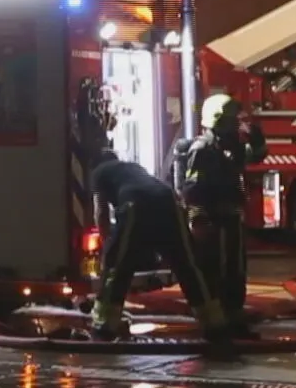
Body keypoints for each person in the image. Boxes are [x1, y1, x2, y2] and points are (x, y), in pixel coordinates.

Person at [89, 147, 233, 353]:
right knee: (188, 265)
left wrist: (108, 246)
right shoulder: (133, 167)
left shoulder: (98, 173)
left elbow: (100, 211)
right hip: (167, 201)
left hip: (134, 204)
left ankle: (103, 328)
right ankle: (215, 326)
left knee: (117, 268)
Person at [180, 93, 267, 335]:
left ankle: (234, 315)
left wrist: (257, 138)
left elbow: (256, 155)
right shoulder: (204, 148)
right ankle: (218, 322)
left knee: (235, 269)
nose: (235, 126)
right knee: (215, 270)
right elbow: (192, 188)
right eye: (231, 121)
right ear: (218, 121)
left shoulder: (230, 146)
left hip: (230, 218)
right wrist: (200, 221)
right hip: (213, 221)